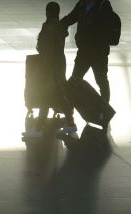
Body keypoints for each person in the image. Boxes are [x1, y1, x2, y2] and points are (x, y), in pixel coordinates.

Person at [24, 2, 77, 138]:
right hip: (59, 63)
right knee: (57, 95)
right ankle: (69, 124)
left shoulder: (48, 27)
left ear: (47, 12)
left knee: (46, 94)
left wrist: (43, 69)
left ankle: (39, 128)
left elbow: (44, 48)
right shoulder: (59, 26)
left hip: (49, 65)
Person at [61, 0, 114, 106]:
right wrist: (59, 24)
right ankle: (69, 105)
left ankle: (105, 105)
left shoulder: (104, 5)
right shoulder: (82, 4)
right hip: (84, 51)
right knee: (76, 79)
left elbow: (107, 26)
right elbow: (71, 17)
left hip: (98, 52)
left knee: (100, 79)